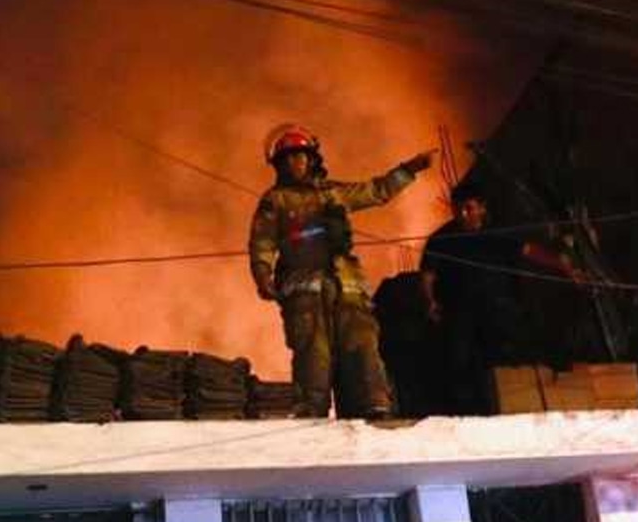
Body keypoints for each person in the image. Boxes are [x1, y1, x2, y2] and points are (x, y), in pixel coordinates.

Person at [248, 125, 433, 418]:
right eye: (289, 158)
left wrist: (409, 169)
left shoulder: (335, 193)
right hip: (304, 290)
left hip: (347, 285)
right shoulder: (275, 200)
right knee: (313, 353)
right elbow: (262, 241)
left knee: (362, 342)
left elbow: (377, 191)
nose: (296, 162)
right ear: (279, 165)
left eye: (301, 156)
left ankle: (375, 405)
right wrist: (262, 275)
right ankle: (312, 412)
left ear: (312, 159)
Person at [421, 182, 581, 414]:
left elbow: (530, 251)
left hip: (498, 308)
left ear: (481, 208)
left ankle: (515, 405)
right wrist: (430, 301)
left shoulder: (496, 234)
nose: (462, 214)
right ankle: (469, 413)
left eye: (468, 208)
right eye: (457, 209)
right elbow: (428, 275)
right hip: (459, 312)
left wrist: (564, 266)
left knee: (507, 358)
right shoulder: (442, 239)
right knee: (461, 365)